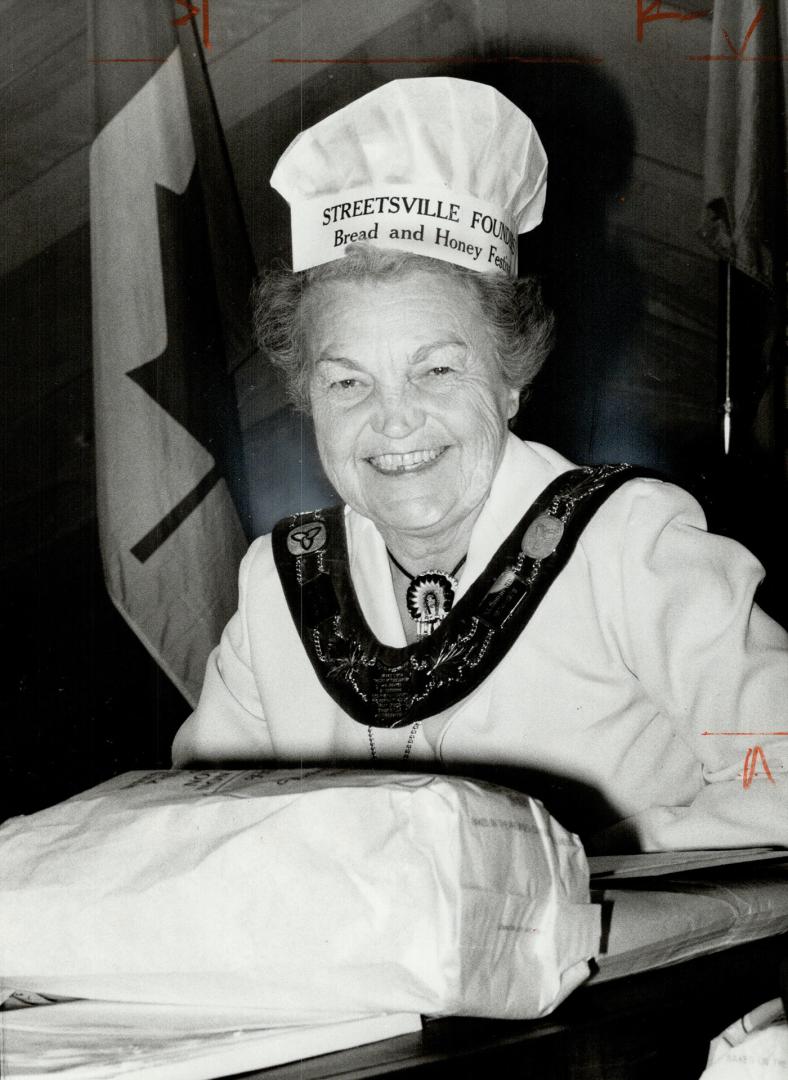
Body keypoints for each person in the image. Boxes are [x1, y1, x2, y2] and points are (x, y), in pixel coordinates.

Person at [172, 77, 788, 852]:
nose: (393, 419)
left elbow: (781, 773)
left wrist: (571, 874)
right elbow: (204, 827)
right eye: (347, 381)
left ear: (509, 382)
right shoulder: (278, 585)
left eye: (436, 371)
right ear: (306, 398)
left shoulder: (629, 543)